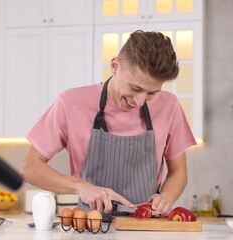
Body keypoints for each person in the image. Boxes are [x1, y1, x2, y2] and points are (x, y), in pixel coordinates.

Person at [20, 30, 196, 216]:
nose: (140, 101)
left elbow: (178, 172)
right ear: (114, 65)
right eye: (135, 88)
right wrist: (81, 187)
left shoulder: (169, 105)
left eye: (152, 93)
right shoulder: (71, 102)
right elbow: (29, 167)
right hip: (90, 225)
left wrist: (165, 197)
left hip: (146, 225)